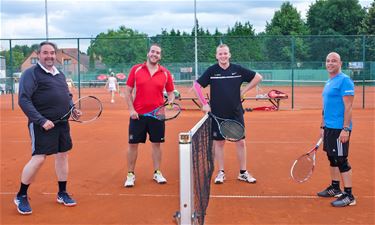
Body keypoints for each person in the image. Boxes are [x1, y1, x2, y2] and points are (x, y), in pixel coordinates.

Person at [15, 41, 77, 215]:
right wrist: (41, 120)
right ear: (39, 55)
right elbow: (24, 100)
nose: (49, 56)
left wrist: (72, 108)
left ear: (55, 55)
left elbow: (67, 95)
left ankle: (62, 193)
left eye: (52, 53)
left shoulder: (59, 75)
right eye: (45, 53)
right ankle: (21, 195)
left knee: (62, 156)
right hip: (42, 125)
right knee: (39, 158)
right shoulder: (31, 73)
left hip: (62, 124)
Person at [193, 44, 262, 184]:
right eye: (220, 54)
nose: (223, 56)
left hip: (236, 112)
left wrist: (244, 91)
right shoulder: (212, 70)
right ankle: (221, 172)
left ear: (229, 55)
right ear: (216, 56)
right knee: (219, 143)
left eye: (225, 53)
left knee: (241, 142)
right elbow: (196, 86)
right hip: (217, 114)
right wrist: (204, 104)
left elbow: (258, 77)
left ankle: (243, 173)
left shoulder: (238, 69)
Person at [123, 43, 175, 187]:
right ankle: (130, 174)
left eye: (157, 53)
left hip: (157, 116)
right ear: (148, 53)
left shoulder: (165, 73)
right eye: (153, 51)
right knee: (133, 144)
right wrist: (131, 110)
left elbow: (171, 93)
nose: (154, 54)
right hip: (137, 115)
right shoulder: (136, 69)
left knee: (156, 144)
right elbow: (127, 91)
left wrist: (170, 103)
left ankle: (157, 172)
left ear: (160, 56)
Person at [317, 52, 356, 207]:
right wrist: (322, 125)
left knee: (341, 160)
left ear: (340, 63)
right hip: (329, 127)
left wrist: (345, 129)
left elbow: (349, 107)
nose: (330, 63)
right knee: (332, 158)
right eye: (328, 61)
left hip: (340, 128)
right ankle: (335, 188)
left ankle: (349, 195)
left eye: (334, 61)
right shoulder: (329, 81)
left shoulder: (345, 81)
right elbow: (325, 107)